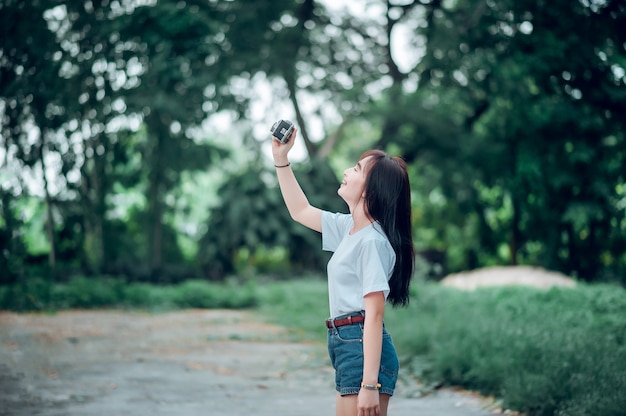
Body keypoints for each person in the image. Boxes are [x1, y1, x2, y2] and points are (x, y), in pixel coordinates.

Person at [271, 126, 415, 416]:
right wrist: (281, 159)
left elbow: (374, 314)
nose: (348, 171)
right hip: (345, 343)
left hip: (360, 344)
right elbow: (300, 211)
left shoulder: (372, 241)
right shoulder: (349, 229)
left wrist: (370, 385)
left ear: (371, 190)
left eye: (357, 168)